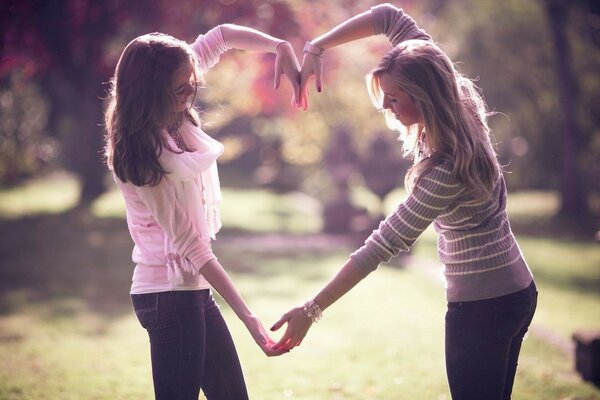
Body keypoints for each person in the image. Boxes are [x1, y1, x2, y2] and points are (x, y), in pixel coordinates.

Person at [271, 4, 537, 400]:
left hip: (482, 309)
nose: (386, 106)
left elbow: (379, 245)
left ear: (424, 96)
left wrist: (311, 309)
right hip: (517, 291)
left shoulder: (446, 171)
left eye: (394, 98)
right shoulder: (459, 99)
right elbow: (387, 16)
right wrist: (317, 48)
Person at [104, 24, 300, 400]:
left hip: (188, 291)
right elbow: (194, 248)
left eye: (192, 83)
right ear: (150, 94)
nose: (190, 93)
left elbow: (223, 35)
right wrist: (251, 320)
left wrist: (279, 46)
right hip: (167, 295)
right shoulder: (146, 157)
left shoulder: (175, 83)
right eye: (181, 90)